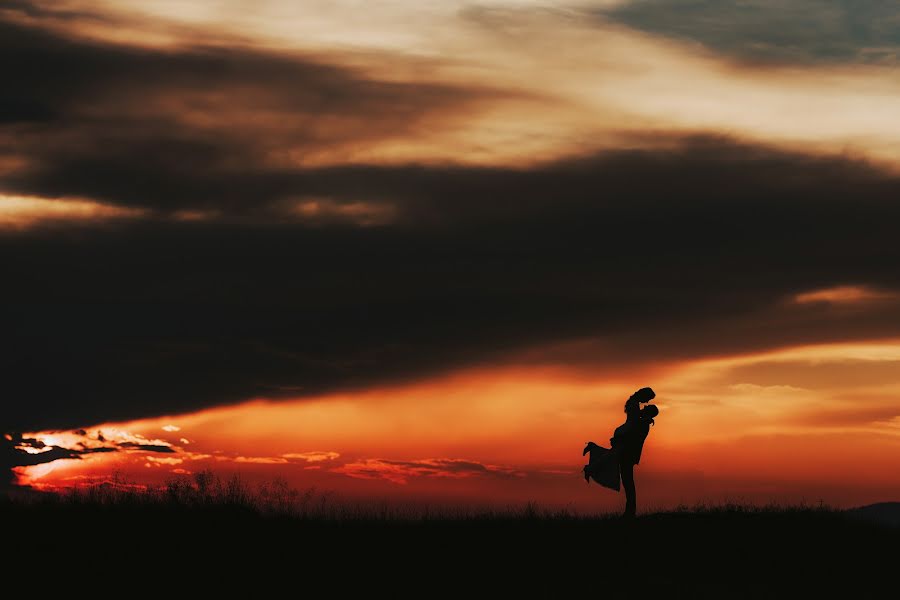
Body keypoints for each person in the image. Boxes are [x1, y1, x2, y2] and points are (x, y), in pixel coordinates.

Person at [582, 387, 658, 518]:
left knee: (613, 463)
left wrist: (646, 419)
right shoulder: (638, 412)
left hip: (626, 447)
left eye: (648, 405)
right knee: (626, 478)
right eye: (648, 400)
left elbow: (634, 427)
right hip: (627, 448)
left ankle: (630, 511)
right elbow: (633, 426)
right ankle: (630, 512)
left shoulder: (637, 411)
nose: (646, 404)